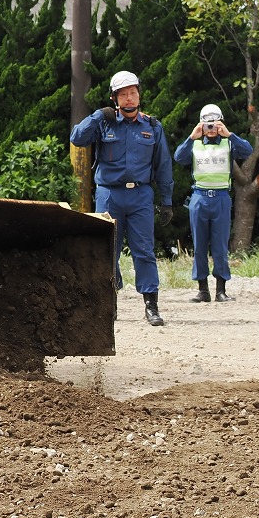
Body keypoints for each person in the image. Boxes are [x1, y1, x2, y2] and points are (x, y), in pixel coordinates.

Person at [70, 70, 174, 326]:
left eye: (133, 93)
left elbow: (163, 165)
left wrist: (167, 200)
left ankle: (151, 306)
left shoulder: (152, 126)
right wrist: (97, 116)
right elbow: (77, 138)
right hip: (109, 194)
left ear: (139, 95)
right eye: (123, 95)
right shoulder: (104, 123)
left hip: (140, 195)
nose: (129, 99)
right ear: (115, 98)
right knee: (107, 252)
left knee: (144, 251)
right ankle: (108, 303)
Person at [173, 103, 252, 302]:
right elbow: (178, 157)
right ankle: (202, 290)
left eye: (214, 123)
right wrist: (192, 136)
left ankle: (221, 290)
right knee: (199, 245)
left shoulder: (229, 143)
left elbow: (247, 150)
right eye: (206, 124)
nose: (210, 128)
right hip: (199, 197)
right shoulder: (195, 143)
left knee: (220, 245)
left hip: (221, 198)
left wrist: (230, 134)